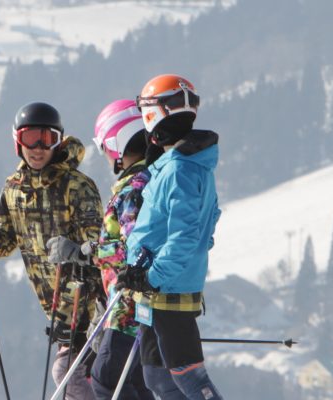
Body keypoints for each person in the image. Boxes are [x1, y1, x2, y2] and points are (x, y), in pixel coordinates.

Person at [0, 101, 104, 399]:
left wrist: (77, 252)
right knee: (78, 379)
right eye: (29, 138)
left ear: (58, 141)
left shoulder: (76, 186)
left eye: (46, 139)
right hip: (57, 310)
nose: (37, 148)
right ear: (17, 141)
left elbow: (101, 247)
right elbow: (3, 244)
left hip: (90, 304)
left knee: (69, 376)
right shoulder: (13, 189)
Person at [118, 74, 222, 400]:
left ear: (157, 114)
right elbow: (209, 222)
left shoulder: (181, 170)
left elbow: (185, 237)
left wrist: (151, 275)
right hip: (155, 292)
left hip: (168, 290)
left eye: (146, 111)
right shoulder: (177, 165)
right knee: (156, 378)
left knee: (188, 375)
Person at [85, 99, 154, 399]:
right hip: (140, 308)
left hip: (128, 308)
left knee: (105, 378)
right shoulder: (148, 180)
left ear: (116, 144)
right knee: (137, 382)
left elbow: (136, 242)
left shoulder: (132, 190)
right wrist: (93, 251)